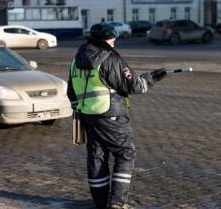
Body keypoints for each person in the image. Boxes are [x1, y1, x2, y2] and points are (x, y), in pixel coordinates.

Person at [67, 23, 167, 209]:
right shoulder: (110, 59)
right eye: (112, 38)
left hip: (88, 116)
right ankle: (117, 203)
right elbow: (134, 86)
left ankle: (101, 202)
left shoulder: (76, 59)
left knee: (97, 157)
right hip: (111, 115)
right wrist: (152, 77)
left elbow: (71, 92)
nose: (114, 42)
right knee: (125, 153)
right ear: (105, 40)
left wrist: (79, 113)